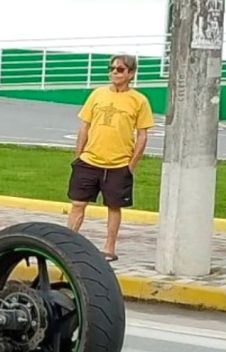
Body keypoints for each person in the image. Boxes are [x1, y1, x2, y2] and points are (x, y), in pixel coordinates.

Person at [65, 54, 154, 262]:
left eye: (120, 69)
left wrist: (132, 164)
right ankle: (69, 243)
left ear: (131, 74)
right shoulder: (97, 94)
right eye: (112, 68)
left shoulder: (139, 101)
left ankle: (109, 247)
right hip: (89, 161)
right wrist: (78, 155)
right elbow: (84, 125)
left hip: (119, 164)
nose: (114, 72)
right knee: (78, 203)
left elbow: (142, 134)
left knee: (113, 207)